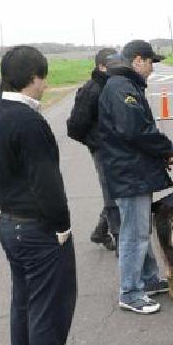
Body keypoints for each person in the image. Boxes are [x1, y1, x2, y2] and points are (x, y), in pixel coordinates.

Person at [0, 46, 93, 345]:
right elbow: (46, 183)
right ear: (32, 78)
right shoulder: (28, 121)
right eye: (42, 78)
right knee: (49, 308)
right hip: (37, 228)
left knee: (23, 303)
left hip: (8, 221)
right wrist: (62, 226)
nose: (46, 85)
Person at [97, 40, 173, 314]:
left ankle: (148, 279)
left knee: (140, 230)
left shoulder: (125, 85)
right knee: (134, 234)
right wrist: (166, 148)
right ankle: (130, 292)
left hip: (134, 169)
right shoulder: (122, 88)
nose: (152, 68)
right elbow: (135, 131)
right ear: (138, 61)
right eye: (150, 62)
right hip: (128, 172)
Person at [66, 48, 121, 252]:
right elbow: (75, 127)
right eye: (113, 64)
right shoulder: (92, 89)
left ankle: (100, 231)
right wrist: (96, 143)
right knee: (112, 196)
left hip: (116, 150)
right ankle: (120, 239)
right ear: (101, 66)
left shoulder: (113, 85)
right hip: (103, 150)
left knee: (118, 192)